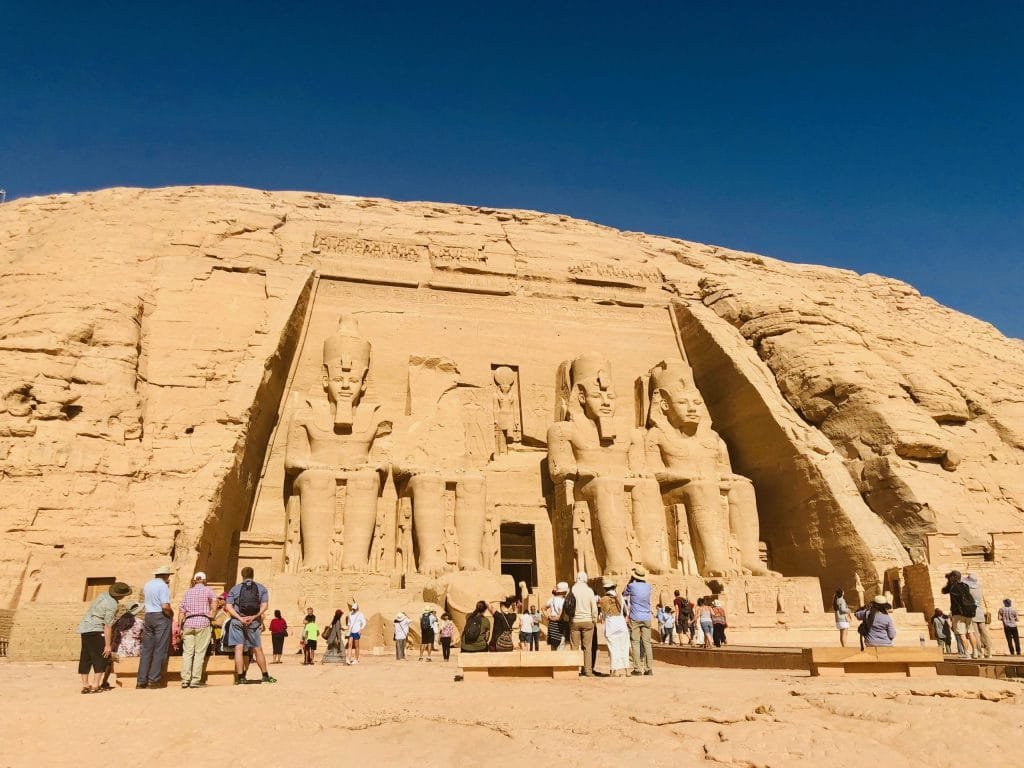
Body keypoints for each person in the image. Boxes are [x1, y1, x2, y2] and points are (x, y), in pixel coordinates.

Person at [77, 581, 132, 693]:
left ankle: (85, 685)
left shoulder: (102, 595)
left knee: (86, 657)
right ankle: (95, 685)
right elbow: (107, 625)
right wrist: (107, 645)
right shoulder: (112, 604)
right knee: (101, 657)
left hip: (85, 628)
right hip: (97, 630)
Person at [225, 566, 276, 684]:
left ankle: (241, 677)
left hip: (238, 622)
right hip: (253, 622)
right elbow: (265, 605)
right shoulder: (261, 588)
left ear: (242, 575)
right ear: (253, 575)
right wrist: (254, 616)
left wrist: (239, 618)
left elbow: (229, 607)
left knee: (239, 649)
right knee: (257, 649)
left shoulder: (235, 589)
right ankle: (265, 675)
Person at [178, 571, 217, 688]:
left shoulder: (187, 592)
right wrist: (212, 615)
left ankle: (185, 680)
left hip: (188, 623)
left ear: (194, 580)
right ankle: (195, 680)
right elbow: (214, 605)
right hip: (202, 622)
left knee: (187, 653)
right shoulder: (209, 591)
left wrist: (180, 626)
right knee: (199, 653)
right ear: (204, 580)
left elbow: (181, 611)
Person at [137, 565, 174, 689]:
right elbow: (164, 606)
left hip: (148, 616)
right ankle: (154, 680)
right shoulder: (163, 586)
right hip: (160, 616)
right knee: (160, 649)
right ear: (165, 575)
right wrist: (171, 613)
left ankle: (141, 680)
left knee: (147, 649)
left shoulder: (148, 584)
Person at [623, 566, 653, 676]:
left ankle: (637, 668)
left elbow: (624, 593)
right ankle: (649, 668)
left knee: (635, 643)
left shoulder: (631, 586)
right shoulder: (648, 586)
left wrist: (630, 580)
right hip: (646, 617)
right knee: (647, 643)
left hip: (635, 617)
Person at [941, 570, 977, 659]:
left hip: (958, 613)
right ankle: (975, 652)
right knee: (971, 632)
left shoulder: (953, 587)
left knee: (962, 634)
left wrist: (949, 581)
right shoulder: (966, 586)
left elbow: (943, 591)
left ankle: (967, 653)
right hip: (968, 612)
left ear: (953, 578)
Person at [568, 572, 599, 675]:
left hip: (575, 621)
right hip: (587, 621)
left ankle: (574, 670)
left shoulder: (572, 590)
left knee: (574, 647)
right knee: (587, 647)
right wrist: (594, 619)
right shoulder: (589, 591)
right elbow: (594, 607)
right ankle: (587, 670)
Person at [598, 580, 630, 676]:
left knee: (613, 649)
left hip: (611, 626)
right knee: (624, 648)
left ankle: (613, 671)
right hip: (621, 625)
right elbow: (626, 612)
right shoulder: (620, 597)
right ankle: (627, 671)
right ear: (614, 588)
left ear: (605, 589)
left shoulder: (602, 599)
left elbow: (602, 616)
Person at [963, 573, 992, 659]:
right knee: (984, 633)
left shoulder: (968, 590)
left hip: (972, 614)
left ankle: (980, 653)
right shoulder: (979, 588)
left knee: (975, 634)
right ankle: (988, 652)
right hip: (980, 612)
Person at [545, 583, 569, 650]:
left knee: (553, 646)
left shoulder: (552, 599)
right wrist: (556, 618)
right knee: (560, 645)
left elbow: (543, 608)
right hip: (559, 625)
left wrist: (548, 617)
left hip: (552, 625)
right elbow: (560, 617)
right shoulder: (563, 601)